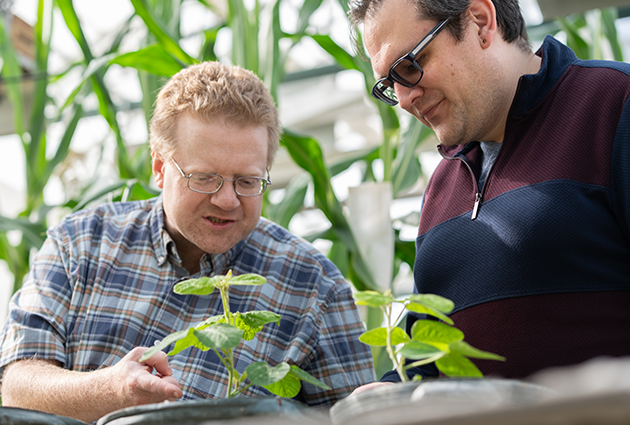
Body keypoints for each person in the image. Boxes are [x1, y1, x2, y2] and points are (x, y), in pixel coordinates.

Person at [0, 61, 375, 422]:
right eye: (205, 178)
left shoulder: (314, 286)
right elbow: (16, 388)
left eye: (246, 181)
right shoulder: (80, 244)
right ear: (160, 168)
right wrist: (111, 390)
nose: (227, 200)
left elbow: (354, 418)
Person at [349, 0, 630, 392]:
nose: (405, 99)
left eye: (409, 65)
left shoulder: (613, 104)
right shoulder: (443, 185)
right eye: (388, 85)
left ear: (480, 21)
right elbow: (427, 354)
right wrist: (394, 389)